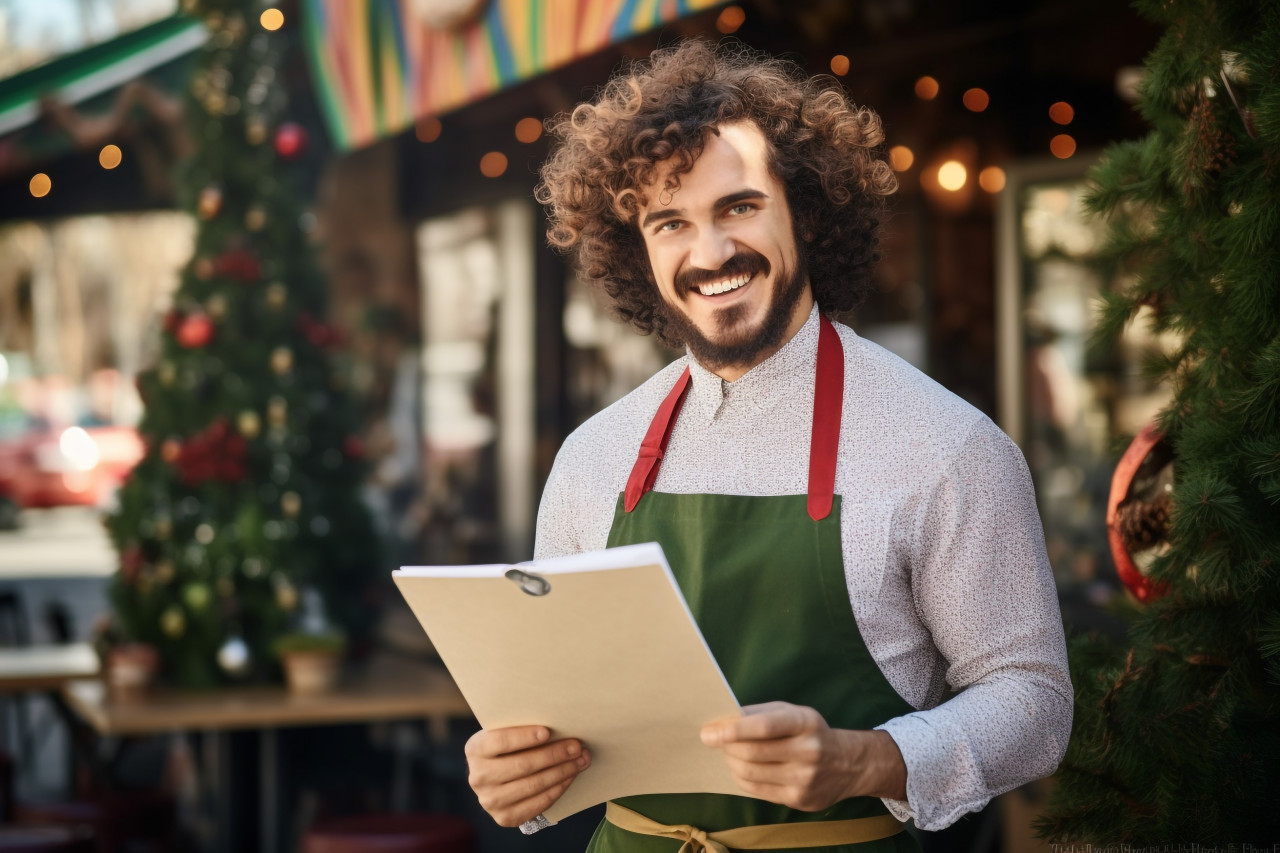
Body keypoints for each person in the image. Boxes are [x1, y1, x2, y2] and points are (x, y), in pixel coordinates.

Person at [464, 40, 1071, 851]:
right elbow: (558, 714)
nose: (709, 254)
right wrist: (519, 775)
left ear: (808, 211)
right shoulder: (593, 457)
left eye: (739, 207)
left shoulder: (947, 445)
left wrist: (870, 758)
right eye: (671, 222)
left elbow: (1033, 702)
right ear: (637, 248)